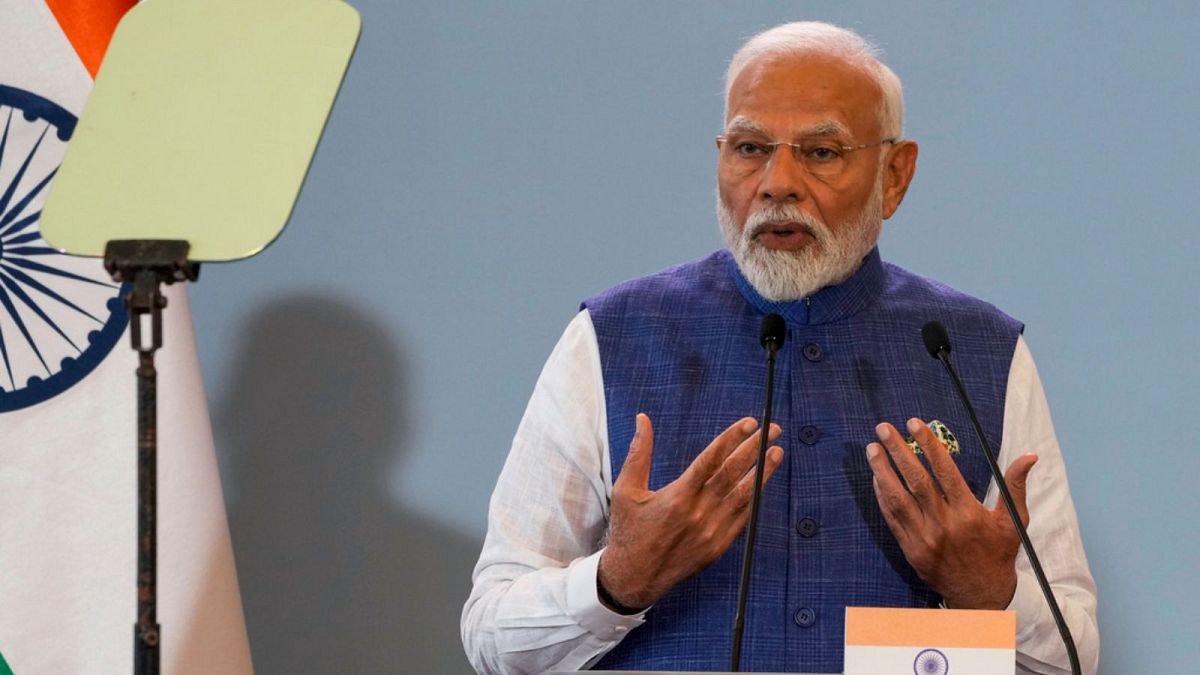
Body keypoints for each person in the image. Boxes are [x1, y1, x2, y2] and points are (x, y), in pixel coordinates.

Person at [461, 21, 1098, 675]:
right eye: (749, 148)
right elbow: (491, 635)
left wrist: (989, 598)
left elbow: (1072, 657)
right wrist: (614, 582)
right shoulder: (612, 336)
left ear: (895, 175)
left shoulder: (974, 351)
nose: (776, 182)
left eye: (821, 153)